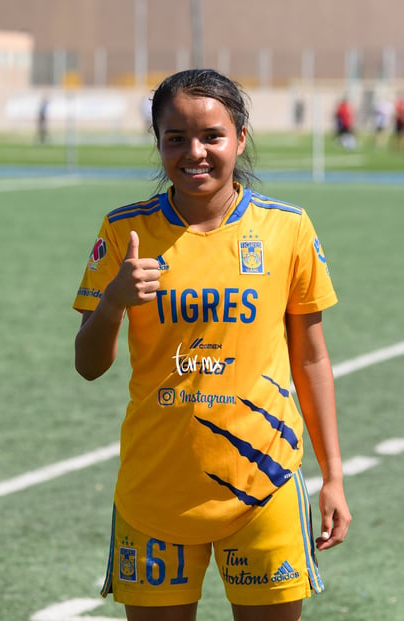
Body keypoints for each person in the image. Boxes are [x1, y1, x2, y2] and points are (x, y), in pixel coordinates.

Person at [73, 68, 351, 621]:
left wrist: (334, 478)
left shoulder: (286, 229)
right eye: (175, 138)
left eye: (211, 137)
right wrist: (112, 302)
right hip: (155, 493)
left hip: (263, 487)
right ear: (158, 142)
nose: (194, 152)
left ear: (240, 137)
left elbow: (312, 359)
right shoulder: (125, 230)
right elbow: (87, 365)